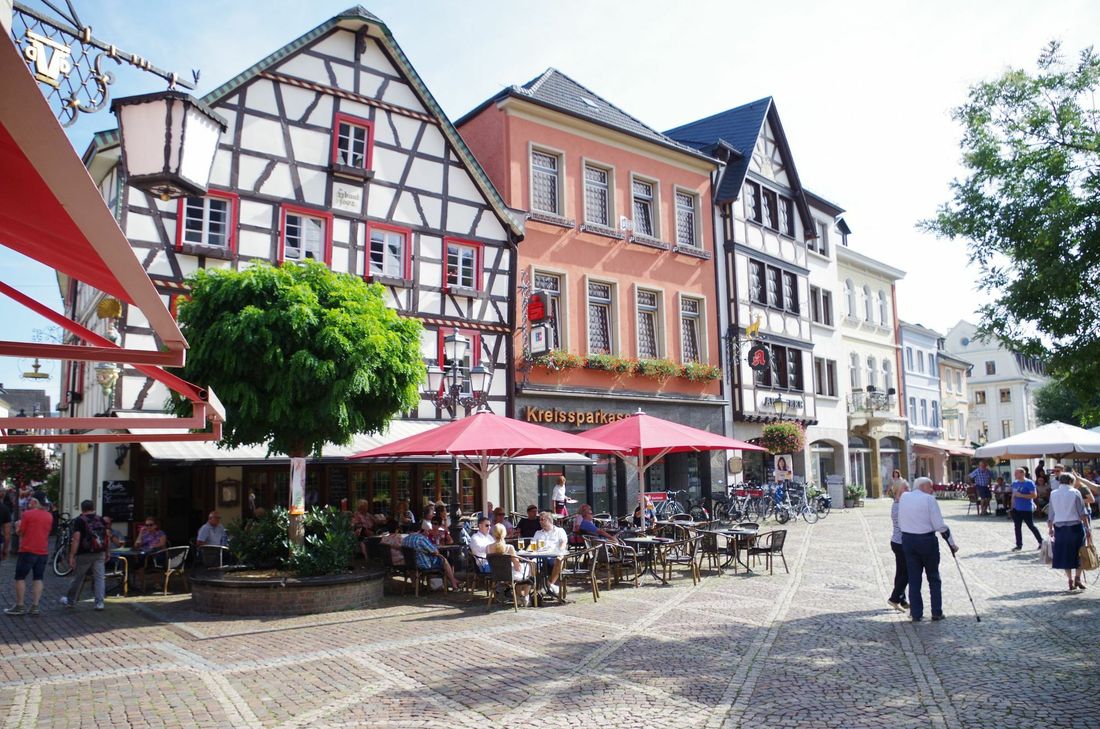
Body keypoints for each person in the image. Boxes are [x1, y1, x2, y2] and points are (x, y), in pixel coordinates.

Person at [898, 477, 958, 622]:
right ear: (922, 486)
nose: (932, 490)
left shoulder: (904, 497)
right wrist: (952, 544)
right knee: (933, 576)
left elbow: (900, 521)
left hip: (908, 540)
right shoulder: (929, 499)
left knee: (914, 578)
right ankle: (936, 612)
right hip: (926, 540)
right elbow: (939, 525)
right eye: (930, 487)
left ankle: (916, 613)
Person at [4, 497, 53, 616]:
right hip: (42, 551)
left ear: (36, 502)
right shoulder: (49, 516)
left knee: (20, 577)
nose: (29, 502)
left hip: (28, 550)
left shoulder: (28, 514)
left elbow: (20, 532)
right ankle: (35, 606)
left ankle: (20, 606)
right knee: (38, 578)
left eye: (31, 500)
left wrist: (17, 526)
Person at [59, 499, 109, 611]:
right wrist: (107, 551)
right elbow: (106, 537)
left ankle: (70, 601)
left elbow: (76, 539)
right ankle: (99, 603)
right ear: (93, 508)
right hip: (99, 552)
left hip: (84, 553)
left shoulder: (79, 520)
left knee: (78, 577)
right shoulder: (100, 519)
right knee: (100, 578)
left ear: (82, 509)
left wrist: (72, 555)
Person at [1048, 473, 1092, 591]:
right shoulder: (1075, 492)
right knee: (1080, 552)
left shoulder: (1053, 493)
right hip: (1075, 526)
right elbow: (1082, 512)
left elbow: (1051, 513)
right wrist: (1088, 528)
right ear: (1071, 481)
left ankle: (1070, 579)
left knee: (1065, 554)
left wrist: (1050, 528)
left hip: (1060, 527)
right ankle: (1078, 577)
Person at [402, 521, 460, 591]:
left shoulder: (404, 540)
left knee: (440, 559)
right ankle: (453, 583)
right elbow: (435, 551)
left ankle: (415, 586)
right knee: (444, 559)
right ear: (419, 530)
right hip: (424, 564)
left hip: (411, 564)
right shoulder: (421, 539)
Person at [487, 523, 532, 605]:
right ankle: (525, 595)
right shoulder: (509, 547)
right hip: (509, 575)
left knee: (520, 571)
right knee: (529, 566)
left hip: (495, 575)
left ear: (493, 534)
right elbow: (517, 566)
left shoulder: (488, 547)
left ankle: (519, 596)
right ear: (504, 534)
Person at [887, 479, 910, 612]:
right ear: (897, 491)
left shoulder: (899, 503)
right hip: (900, 543)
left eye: (908, 488)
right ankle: (895, 598)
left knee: (901, 571)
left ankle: (901, 599)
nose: (908, 491)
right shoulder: (900, 505)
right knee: (907, 572)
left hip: (897, 542)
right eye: (905, 489)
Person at [532, 511, 568, 597]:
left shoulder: (559, 531)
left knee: (560, 559)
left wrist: (560, 551)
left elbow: (564, 542)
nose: (540, 521)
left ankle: (548, 584)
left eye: (542, 519)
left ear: (549, 520)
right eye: (539, 520)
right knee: (531, 563)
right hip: (539, 557)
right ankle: (536, 588)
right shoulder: (538, 533)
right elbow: (532, 546)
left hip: (553, 557)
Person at [1010, 467, 1043, 551]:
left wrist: (1021, 495)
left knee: (1031, 526)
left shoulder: (1029, 483)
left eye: (1016, 473)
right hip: (1016, 508)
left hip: (1026, 508)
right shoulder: (1014, 483)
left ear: (1022, 474)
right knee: (1017, 527)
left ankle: (1041, 542)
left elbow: (1034, 495)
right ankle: (1019, 545)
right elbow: (1013, 496)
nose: (1015, 475)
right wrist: (1011, 507)